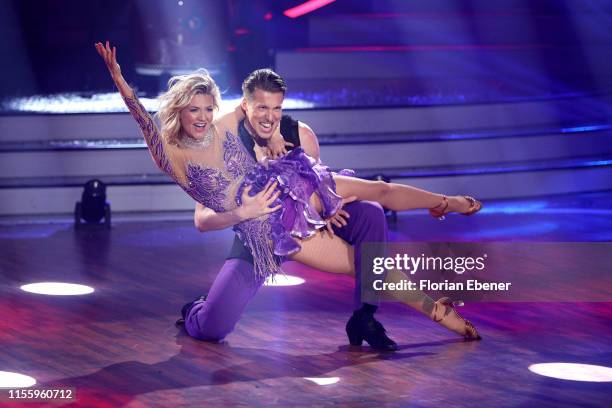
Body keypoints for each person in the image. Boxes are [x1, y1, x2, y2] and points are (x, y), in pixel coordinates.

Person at [95, 41, 482, 346]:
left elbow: (262, 114)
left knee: (376, 197)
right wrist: (119, 80)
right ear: (179, 111)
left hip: (290, 187)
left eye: (207, 108)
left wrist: (279, 138)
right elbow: (144, 122)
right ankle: (198, 310)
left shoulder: (227, 122)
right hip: (264, 232)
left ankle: (447, 205)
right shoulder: (172, 156)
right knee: (213, 328)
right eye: (193, 109)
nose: (201, 117)